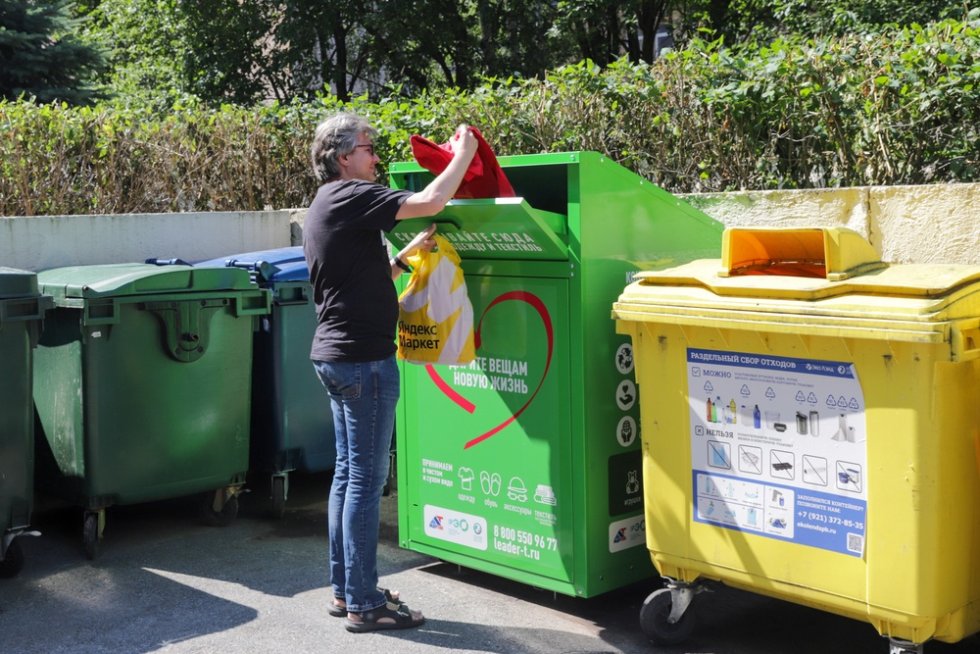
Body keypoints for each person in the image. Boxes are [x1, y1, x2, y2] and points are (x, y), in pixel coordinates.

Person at [303, 113, 478, 633]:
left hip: (336, 358)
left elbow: (357, 276)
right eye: (368, 148)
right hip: (363, 361)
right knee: (366, 482)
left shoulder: (327, 204)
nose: (376, 157)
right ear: (342, 158)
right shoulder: (350, 194)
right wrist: (464, 155)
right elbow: (429, 203)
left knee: (347, 475)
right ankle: (364, 603)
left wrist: (403, 259)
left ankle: (344, 591)